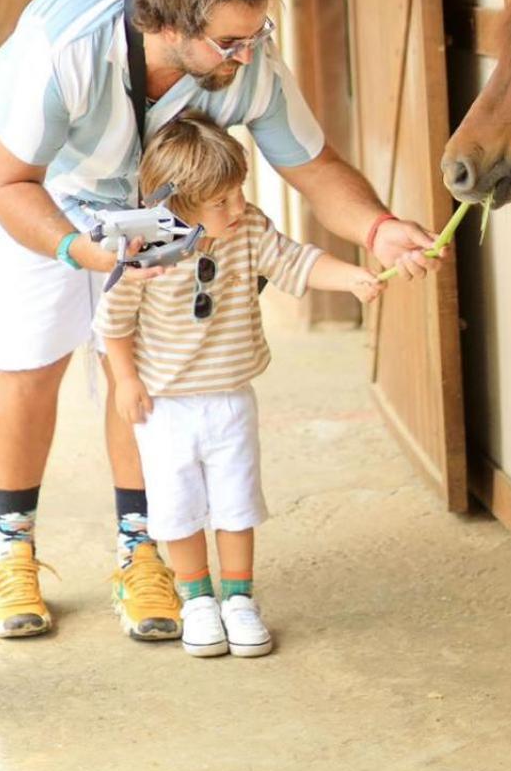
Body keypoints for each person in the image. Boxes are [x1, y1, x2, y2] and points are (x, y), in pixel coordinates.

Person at [0, 0, 441, 643]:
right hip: (46, 195)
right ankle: (13, 549)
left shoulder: (245, 59)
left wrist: (378, 229)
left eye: (255, 34)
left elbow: (312, 166)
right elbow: (9, 182)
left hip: (161, 206)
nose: (248, 53)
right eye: (230, 42)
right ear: (167, 26)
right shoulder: (65, 51)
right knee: (34, 363)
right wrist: (75, 249)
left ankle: (141, 551)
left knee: (144, 374)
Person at [94, 112, 383, 657]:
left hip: (231, 396)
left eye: (238, 193)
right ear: (177, 205)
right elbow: (113, 322)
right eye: (221, 201)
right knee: (176, 507)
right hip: (166, 405)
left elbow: (295, 260)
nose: (237, 207)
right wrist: (125, 380)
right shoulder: (147, 248)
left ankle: (239, 598)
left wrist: (351, 279)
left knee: (237, 504)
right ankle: (196, 598)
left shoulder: (248, 227)